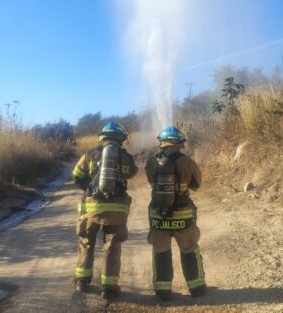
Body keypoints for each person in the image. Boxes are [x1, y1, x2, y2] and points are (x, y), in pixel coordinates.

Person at [71, 122, 138, 299]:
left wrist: (90, 190)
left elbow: (76, 176)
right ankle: (108, 288)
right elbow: (132, 173)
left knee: (86, 242)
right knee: (112, 247)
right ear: (120, 139)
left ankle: (81, 282)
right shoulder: (126, 157)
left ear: (102, 137)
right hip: (116, 211)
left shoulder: (90, 154)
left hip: (92, 210)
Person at [145, 125, 206, 301]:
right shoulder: (187, 162)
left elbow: (151, 182)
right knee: (189, 249)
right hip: (183, 217)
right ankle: (197, 288)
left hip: (159, 216)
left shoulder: (151, 162)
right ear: (180, 143)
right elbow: (196, 186)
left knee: (161, 251)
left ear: (162, 142)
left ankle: (163, 291)